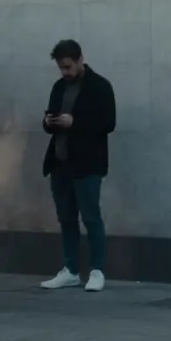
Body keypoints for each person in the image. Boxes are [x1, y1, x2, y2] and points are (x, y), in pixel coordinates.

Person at [38, 39, 117, 292]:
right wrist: (50, 122)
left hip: (87, 165)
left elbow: (108, 123)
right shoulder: (59, 87)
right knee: (66, 218)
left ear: (81, 59)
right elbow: (50, 120)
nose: (65, 72)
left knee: (91, 217)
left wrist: (75, 122)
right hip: (60, 163)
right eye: (61, 68)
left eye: (68, 67)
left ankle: (97, 270)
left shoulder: (100, 86)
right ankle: (71, 270)